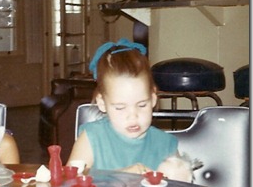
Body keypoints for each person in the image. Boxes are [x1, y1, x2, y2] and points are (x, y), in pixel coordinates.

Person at [67, 38, 179, 175]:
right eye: (120, 107)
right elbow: (69, 182)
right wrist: (119, 177)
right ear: (102, 103)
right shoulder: (92, 138)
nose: (133, 116)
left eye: (142, 105)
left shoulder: (166, 144)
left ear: (153, 98)